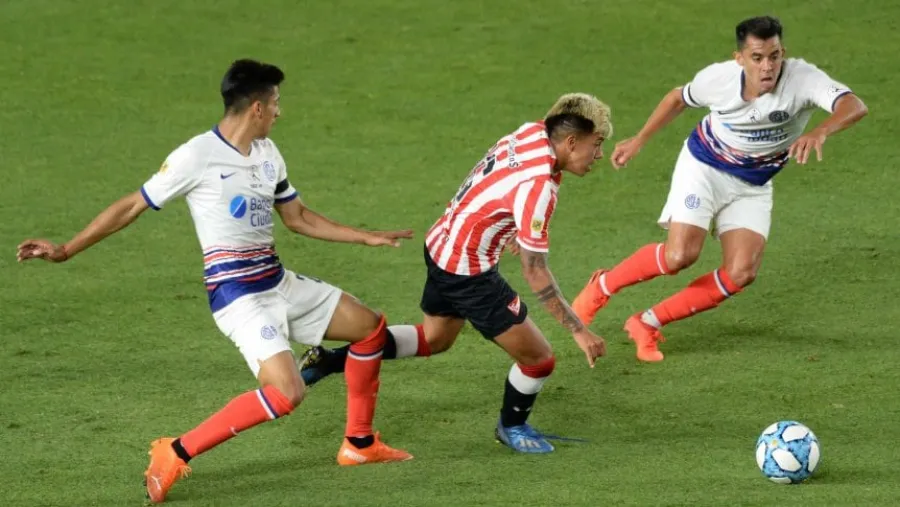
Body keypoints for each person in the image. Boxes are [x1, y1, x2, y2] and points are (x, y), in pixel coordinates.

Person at [16, 59, 415, 504]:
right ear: (257, 108)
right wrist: (67, 249)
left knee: (369, 328)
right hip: (238, 297)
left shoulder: (268, 154)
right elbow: (132, 205)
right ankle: (174, 450)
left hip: (277, 282)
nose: (281, 113)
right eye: (277, 103)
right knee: (287, 394)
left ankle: (358, 445)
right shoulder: (197, 156)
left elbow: (297, 218)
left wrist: (365, 236)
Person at [297, 93, 612, 453]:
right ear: (571, 141)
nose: (599, 154)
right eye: (597, 143)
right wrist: (579, 329)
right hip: (469, 273)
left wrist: (512, 230)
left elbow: (501, 185)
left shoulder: (530, 133)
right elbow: (534, 269)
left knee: (435, 339)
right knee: (539, 359)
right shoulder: (538, 186)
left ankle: (328, 360)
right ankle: (513, 427)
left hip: (441, 244)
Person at [570, 16, 869, 362]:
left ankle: (646, 323)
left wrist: (820, 131)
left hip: (753, 183)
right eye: (757, 58)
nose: (768, 66)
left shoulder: (802, 79)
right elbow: (677, 98)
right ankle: (602, 287)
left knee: (742, 272)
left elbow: (854, 105)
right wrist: (639, 140)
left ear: (782, 53)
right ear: (740, 58)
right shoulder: (719, 79)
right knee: (680, 256)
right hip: (705, 167)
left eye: (774, 56)